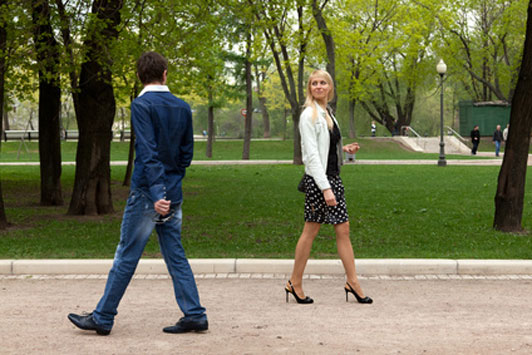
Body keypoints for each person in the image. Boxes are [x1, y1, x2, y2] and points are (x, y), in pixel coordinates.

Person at [67, 52, 207, 335]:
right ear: (165, 73)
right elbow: (186, 154)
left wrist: (157, 193)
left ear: (139, 76)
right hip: (171, 192)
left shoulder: (141, 105)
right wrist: (170, 187)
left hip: (148, 194)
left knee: (127, 254)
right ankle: (194, 314)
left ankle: (103, 317)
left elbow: (147, 151)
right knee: (175, 254)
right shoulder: (182, 107)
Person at [285, 69, 372, 305]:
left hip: (333, 178)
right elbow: (311, 155)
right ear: (310, 88)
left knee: (343, 230)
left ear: (330, 87)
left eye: (323, 82)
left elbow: (324, 146)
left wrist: (343, 150)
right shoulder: (308, 115)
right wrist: (325, 188)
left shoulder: (328, 113)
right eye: (314, 83)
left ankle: (352, 281)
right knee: (310, 231)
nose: (319, 86)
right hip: (319, 181)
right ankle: (295, 282)